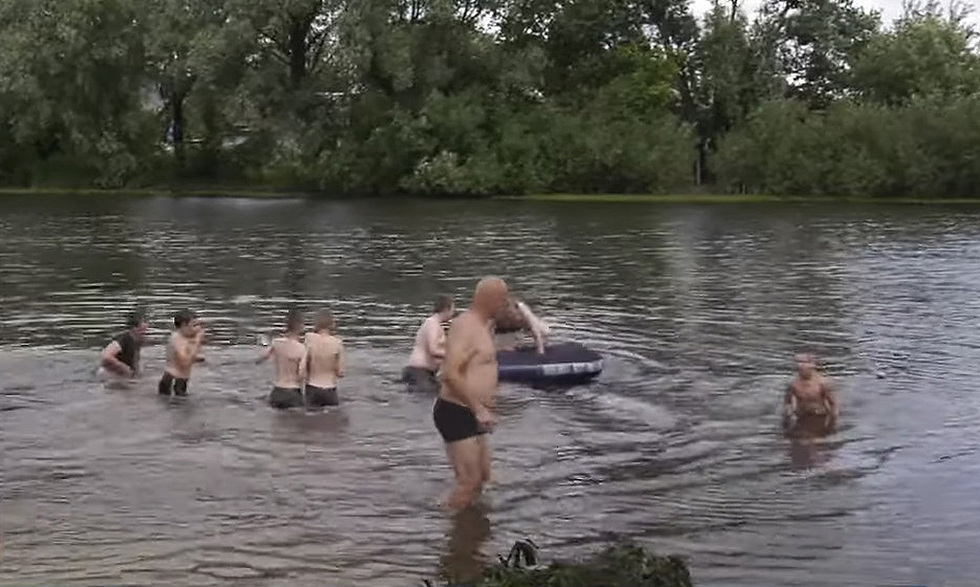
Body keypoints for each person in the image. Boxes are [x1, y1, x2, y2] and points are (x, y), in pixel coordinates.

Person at [434, 277, 509, 510]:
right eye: (503, 300)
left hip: (474, 411)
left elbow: (477, 367)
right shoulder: (465, 325)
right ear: (491, 299)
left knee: (484, 478)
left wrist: (487, 406)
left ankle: (471, 532)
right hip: (457, 410)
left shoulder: (482, 326)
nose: (504, 305)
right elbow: (450, 373)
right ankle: (440, 525)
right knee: (469, 483)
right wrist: (479, 409)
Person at [403, 294, 455, 393]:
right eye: (452, 309)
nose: (453, 313)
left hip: (422, 373)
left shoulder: (435, 324)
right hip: (419, 372)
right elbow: (433, 350)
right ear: (446, 308)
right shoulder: (433, 324)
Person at [257, 309, 307, 410]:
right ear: (301, 326)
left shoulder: (276, 343)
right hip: (293, 392)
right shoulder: (302, 348)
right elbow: (302, 374)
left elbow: (260, 359)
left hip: (277, 392)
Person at [304, 309, 345, 408]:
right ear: (332, 324)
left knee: (308, 421)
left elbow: (304, 365)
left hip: (312, 388)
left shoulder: (309, 339)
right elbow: (340, 373)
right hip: (330, 389)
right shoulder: (337, 343)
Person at [783, 353, 840, 424]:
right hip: (801, 415)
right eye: (799, 369)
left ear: (812, 368)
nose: (801, 371)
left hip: (820, 415)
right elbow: (787, 402)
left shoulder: (823, 383)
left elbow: (833, 403)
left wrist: (833, 420)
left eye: (803, 369)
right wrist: (788, 415)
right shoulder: (793, 384)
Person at [159, 310, 204, 396]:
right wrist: (197, 341)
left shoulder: (186, 338)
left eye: (198, 325)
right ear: (184, 325)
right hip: (173, 382)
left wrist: (198, 357)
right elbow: (184, 362)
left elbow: (187, 357)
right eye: (194, 325)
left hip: (179, 381)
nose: (199, 328)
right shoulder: (177, 339)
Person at [99, 310, 149, 379]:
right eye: (144, 322)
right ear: (135, 327)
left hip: (122, 376)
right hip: (110, 376)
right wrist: (125, 368)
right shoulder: (123, 339)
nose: (147, 325)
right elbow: (106, 357)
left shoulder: (138, 339)